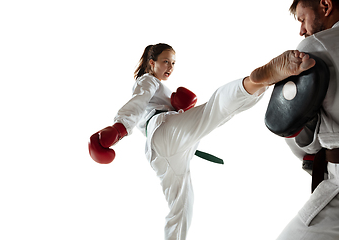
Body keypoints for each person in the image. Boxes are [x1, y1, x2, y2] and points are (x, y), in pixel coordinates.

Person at [88, 43, 315, 240]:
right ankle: (257, 81)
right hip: (164, 131)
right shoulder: (148, 81)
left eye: (173, 63)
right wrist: (119, 128)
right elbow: (138, 102)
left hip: (165, 153)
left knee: (181, 209)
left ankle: (257, 83)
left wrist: (177, 106)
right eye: (165, 61)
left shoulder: (162, 90)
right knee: (213, 110)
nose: (170, 67)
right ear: (151, 62)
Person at [276, 0, 339, 239]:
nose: (301, 30)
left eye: (302, 19)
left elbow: (302, 142)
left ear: (325, 5)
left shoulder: (315, 47)